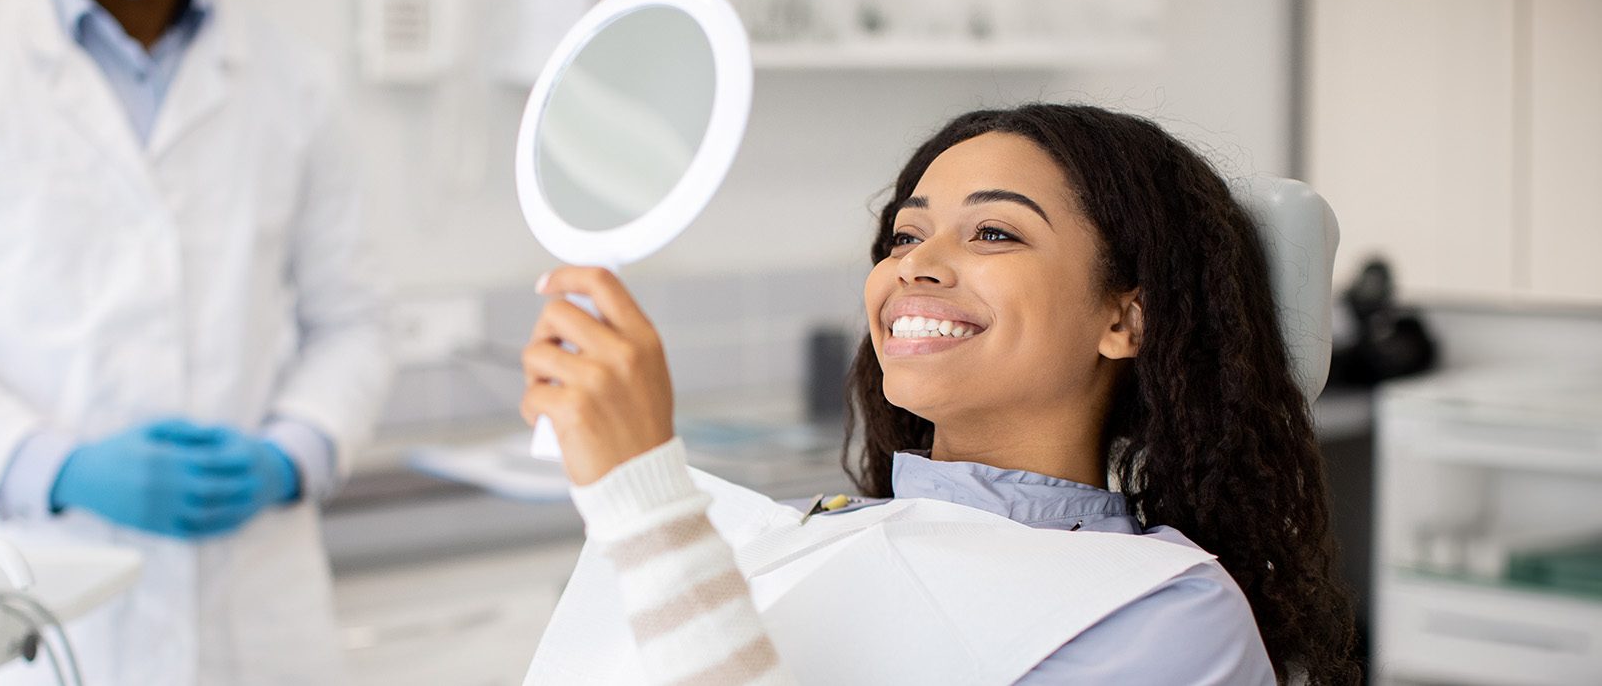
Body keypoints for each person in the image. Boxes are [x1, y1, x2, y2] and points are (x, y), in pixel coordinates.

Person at [519, 105, 1360, 685]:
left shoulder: (1168, 621)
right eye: (905, 234)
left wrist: (648, 505)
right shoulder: (817, 539)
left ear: (1126, 318)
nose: (912, 264)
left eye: (995, 231)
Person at [0, 0, 390, 682]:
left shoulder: (296, 80)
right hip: (43, 597)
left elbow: (354, 322)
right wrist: (53, 469)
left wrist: (289, 456)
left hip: (256, 605)